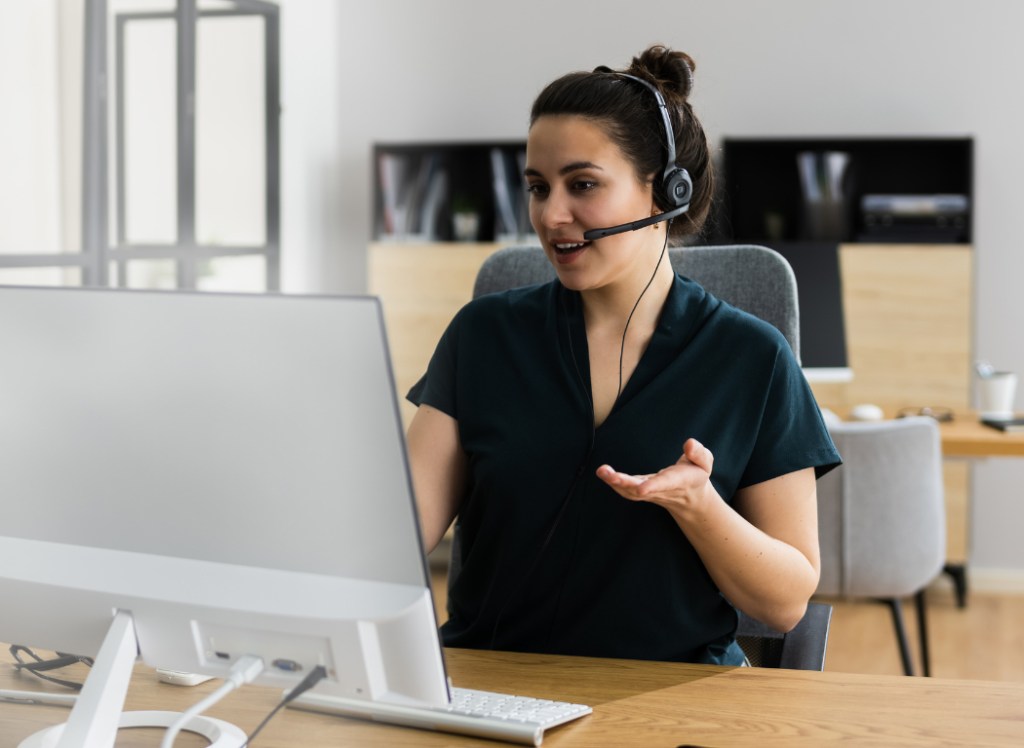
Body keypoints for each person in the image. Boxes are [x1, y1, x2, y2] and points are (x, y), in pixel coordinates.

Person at [406, 45, 841, 665]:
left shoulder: (751, 358)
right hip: (490, 690)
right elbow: (396, 539)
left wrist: (697, 503)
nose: (552, 215)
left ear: (667, 192)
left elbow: (784, 603)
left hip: (667, 696)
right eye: (537, 188)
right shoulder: (483, 337)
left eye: (582, 184)